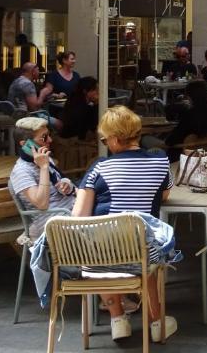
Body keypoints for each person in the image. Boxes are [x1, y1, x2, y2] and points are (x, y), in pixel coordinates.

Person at [74, 107, 173, 342]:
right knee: (145, 247)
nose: (105, 144)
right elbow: (165, 195)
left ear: (116, 139)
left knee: (98, 252)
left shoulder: (100, 167)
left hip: (103, 252)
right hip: (142, 249)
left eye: (105, 139)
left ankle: (118, 319)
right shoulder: (160, 161)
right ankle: (157, 322)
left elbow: (78, 216)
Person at [7, 116, 75, 237]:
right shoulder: (21, 171)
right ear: (26, 145)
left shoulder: (45, 159)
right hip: (52, 221)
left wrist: (66, 185)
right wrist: (43, 168)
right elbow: (42, 204)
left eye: (48, 135)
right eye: (44, 137)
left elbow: (59, 183)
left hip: (69, 209)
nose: (50, 140)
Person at [165, 80, 207, 160]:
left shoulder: (189, 115)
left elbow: (171, 140)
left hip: (184, 155)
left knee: (147, 140)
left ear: (190, 97)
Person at [59, 75, 99, 140]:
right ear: (85, 91)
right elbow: (94, 126)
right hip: (75, 140)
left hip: (69, 136)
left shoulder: (73, 100)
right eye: (95, 90)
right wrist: (97, 103)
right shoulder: (82, 108)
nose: (98, 92)